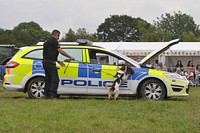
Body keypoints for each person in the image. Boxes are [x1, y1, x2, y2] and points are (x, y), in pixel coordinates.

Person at [43, 29, 75, 99]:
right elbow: (61, 51)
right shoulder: (54, 41)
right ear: (56, 35)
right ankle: (53, 95)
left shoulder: (46, 42)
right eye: (58, 36)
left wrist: (58, 61)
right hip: (50, 63)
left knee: (48, 79)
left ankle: (46, 95)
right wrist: (70, 57)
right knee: (55, 79)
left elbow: (49, 54)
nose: (59, 38)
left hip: (45, 62)